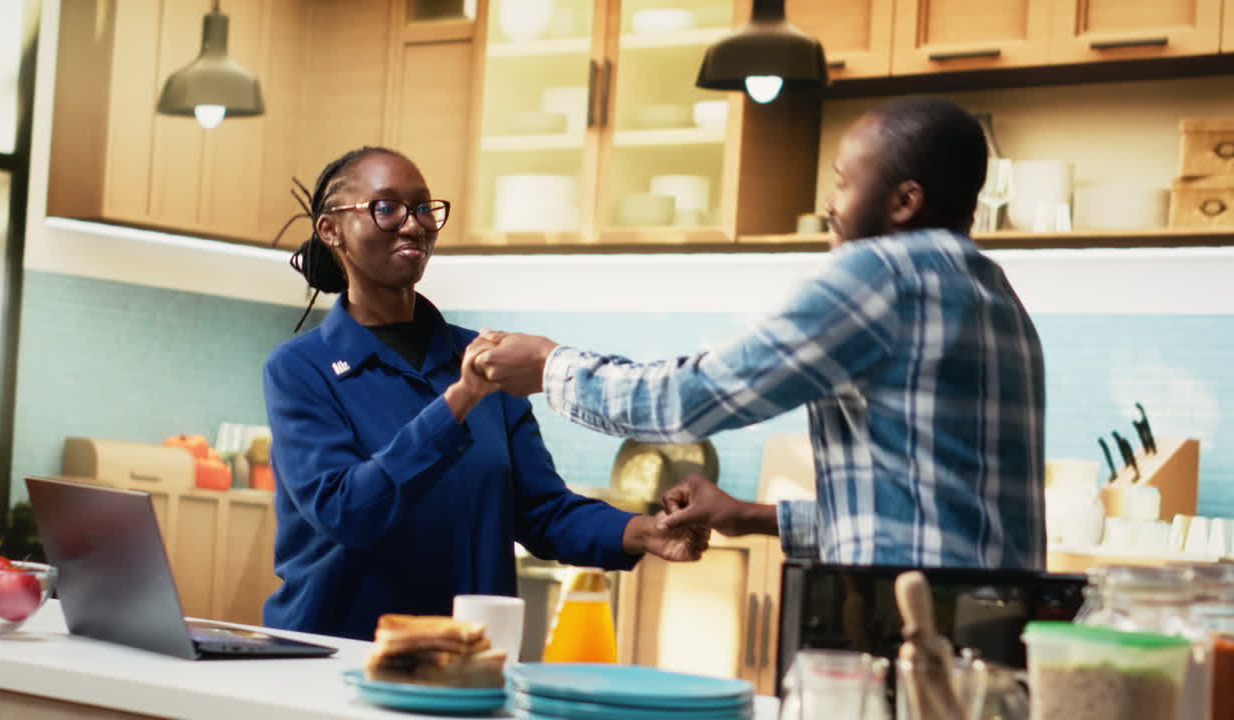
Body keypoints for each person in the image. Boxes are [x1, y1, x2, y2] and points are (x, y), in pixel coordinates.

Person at [471, 96, 1046, 570]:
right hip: (993, 631)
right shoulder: (995, 298)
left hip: (903, 627)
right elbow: (918, 518)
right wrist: (744, 515)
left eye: (844, 182)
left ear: (903, 202)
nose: (830, 204)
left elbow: (687, 401)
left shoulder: (882, 275)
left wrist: (550, 367)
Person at [261, 146, 706, 641]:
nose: (413, 224)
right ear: (331, 229)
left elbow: (542, 511)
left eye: (424, 208)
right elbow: (347, 512)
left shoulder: (481, 357)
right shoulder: (300, 369)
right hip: (336, 653)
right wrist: (461, 398)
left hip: (464, 660)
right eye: (386, 208)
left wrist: (644, 531)